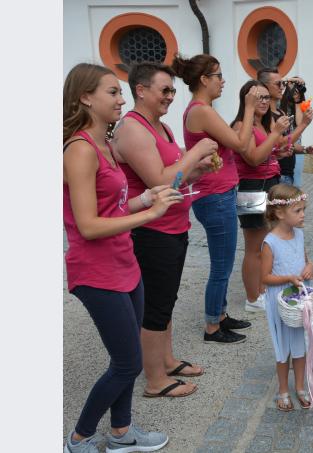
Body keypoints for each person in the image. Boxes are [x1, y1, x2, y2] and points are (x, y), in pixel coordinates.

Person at [63, 63, 180, 453]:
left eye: (119, 92)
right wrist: (149, 215)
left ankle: (121, 433)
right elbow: (88, 225)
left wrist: (145, 199)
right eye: (112, 92)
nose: (121, 99)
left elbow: (112, 207)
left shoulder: (106, 145)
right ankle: (79, 438)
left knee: (126, 359)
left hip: (124, 264)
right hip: (96, 271)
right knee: (128, 363)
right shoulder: (79, 149)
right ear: (85, 97)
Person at [114, 62, 217, 399]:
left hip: (173, 226)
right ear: (141, 90)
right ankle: (155, 379)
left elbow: (173, 177)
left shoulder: (162, 127)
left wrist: (195, 172)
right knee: (154, 305)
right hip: (150, 231)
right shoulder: (133, 128)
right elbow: (157, 181)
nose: (171, 96)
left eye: (173, 90)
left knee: (166, 298)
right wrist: (198, 151)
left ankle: (167, 360)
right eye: (165, 90)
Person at [172, 53, 254, 343]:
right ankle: (212, 326)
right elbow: (241, 144)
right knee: (222, 264)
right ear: (204, 79)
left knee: (224, 261)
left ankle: (219, 314)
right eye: (218, 76)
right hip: (215, 196)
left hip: (219, 194)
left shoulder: (202, 108)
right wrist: (249, 106)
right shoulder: (202, 110)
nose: (222, 81)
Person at [230, 79, 293, 313]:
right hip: (251, 187)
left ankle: (263, 291)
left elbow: (268, 152)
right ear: (246, 99)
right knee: (254, 247)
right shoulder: (240, 126)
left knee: (266, 243)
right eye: (259, 97)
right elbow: (253, 158)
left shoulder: (264, 125)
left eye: (267, 97)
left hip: (270, 184)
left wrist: (279, 148)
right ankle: (252, 297)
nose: (265, 102)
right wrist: (275, 133)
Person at [260, 184, 313, 411]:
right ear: (280, 213)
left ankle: (300, 387)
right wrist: (289, 278)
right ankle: (283, 390)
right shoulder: (270, 242)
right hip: (281, 300)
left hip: (299, 300)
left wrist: (309, 267)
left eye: (303, 209)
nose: (303, 215)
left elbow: (305, 259)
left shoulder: (300, 235)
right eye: (298, 211)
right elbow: (265, 277)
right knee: (284, 348)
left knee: (300, 344)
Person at [274, 74, 313, 186]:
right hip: (282, 146)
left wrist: (297, 101)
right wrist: (290, 80)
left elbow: (299, 123)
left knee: (296, 182)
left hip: (296, 147)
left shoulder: (303, 105)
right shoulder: (279, 104)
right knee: (283, 180)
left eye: (299, 90)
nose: (296, 92)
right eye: (294, 88)